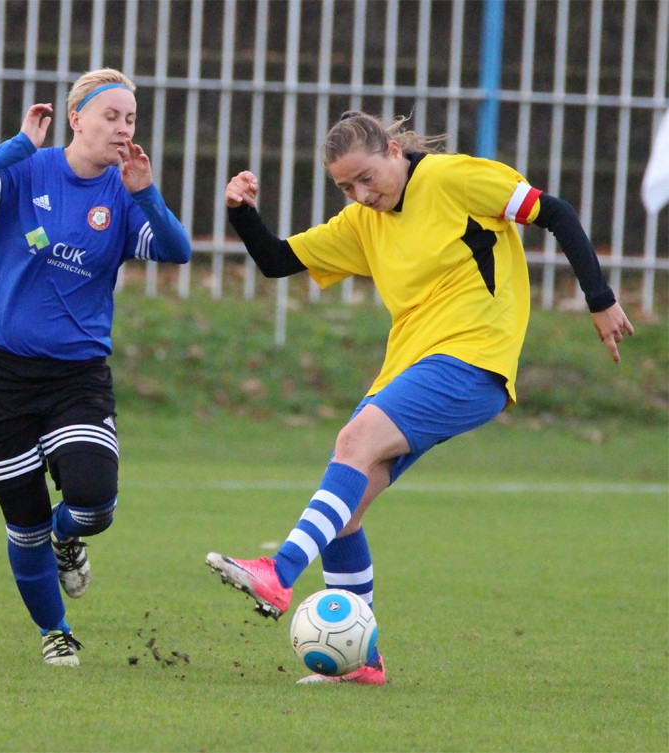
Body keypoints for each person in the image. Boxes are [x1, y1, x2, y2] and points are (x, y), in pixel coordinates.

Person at [206, 111, 634, 685]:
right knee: (345, 508)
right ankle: (362, 663)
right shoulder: (364, 220)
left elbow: (554, 212)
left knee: (353, 442)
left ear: (392, 150)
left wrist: (599, 299)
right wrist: (241, 212)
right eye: (346, 187)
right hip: (410, 367)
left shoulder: (453, 179)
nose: (361, 194)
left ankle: (279, 573)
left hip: (474, 357)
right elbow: (277, 260)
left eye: (366, 178)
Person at [0, 68, 191, 667]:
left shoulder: (123, 193)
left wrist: (146, 192)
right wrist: (19, 145)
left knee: (95, 502)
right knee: (23, 522)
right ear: (77, 118)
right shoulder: (30, 169)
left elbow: (177, 250)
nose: (123, 128)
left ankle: (66, 537)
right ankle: (55, 631)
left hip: (76, 376)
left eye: (131, 118)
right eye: (111, 115)